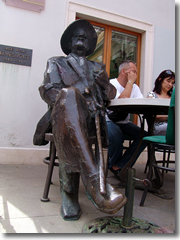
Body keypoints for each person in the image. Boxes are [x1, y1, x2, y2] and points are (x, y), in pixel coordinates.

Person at [33, 19, 127, 221]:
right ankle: (90, 183)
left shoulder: (98, 66)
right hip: (63, 118)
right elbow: (47, 89)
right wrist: (71, 100)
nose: (81, 39)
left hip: (92, 120)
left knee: (71, 101)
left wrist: (104, 84)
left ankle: (74, 190)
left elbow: (111, 94)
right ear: (69, 42)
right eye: (78, 35)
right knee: (68, 95)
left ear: (90, 45)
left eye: (85, 37)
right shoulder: (56, 62)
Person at [106, 60, 147, 180]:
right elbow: (122, 100)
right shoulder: (111, 84)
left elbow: (141, 104)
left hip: (124, 122)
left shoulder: (135, 87)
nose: (135, 74)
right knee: (116, 134)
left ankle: (120, 165)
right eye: (133, 71)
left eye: (136, 72)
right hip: (108, 120)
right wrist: (130, 82)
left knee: (143, 136)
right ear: (124, 71)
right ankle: (115, 165)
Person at [147, 70, 175, 135]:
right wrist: (169, 117)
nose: (170, 84)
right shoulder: (152, 95)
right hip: (158, 127)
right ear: (160, 80)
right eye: (168, 81)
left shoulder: (173, 97)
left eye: (172, 83)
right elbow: (150, 115)